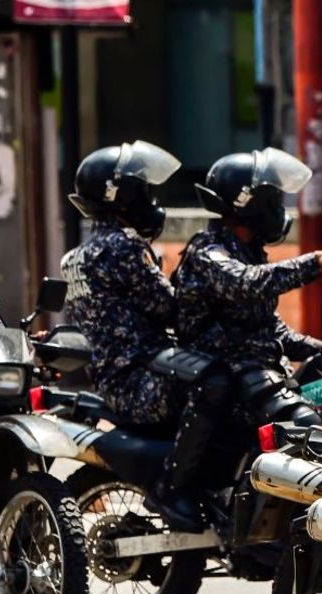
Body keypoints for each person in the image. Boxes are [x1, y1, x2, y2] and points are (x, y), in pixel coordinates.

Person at [62, 140, 229, 532]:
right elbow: (170, 307)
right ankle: (175, 485)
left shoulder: (77, 256)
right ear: (121, 198)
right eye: (144, 192)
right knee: (221, 382)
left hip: (114, 381)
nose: (150, 202)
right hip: (145, 380)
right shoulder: (123, 247)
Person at [173, 148, 322, 426]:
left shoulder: (249, 251)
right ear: (250, 205)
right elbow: (246, 283)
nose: (279, 210)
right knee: (305, 422)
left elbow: (273, 331)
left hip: (261, 377)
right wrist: (313, 264)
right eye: (273, 201)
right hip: (226, 384)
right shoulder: (208, 251)